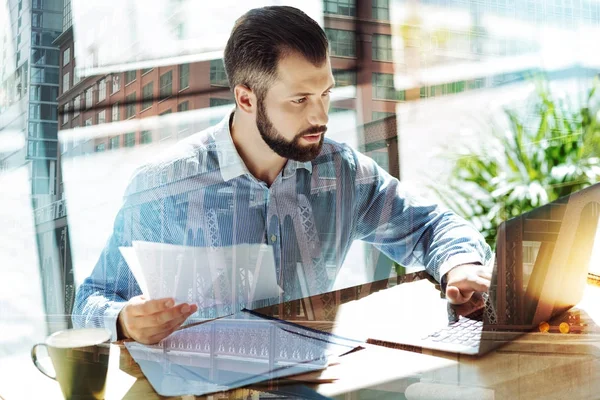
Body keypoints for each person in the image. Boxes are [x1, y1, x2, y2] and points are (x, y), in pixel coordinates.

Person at [72, 6, 493, 345]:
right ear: (246, 98)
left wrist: (459, 265)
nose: (321, 115)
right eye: (299, 99)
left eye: (326, 92)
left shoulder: (340, 172)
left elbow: (429, 227)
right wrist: (125, 321)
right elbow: (92, 300)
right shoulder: (165, 188)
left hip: (317, 384)